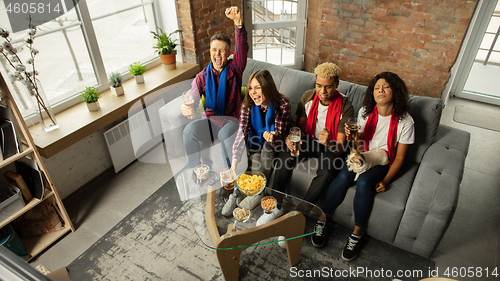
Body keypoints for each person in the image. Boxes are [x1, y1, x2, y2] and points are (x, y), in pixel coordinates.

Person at [312, 72, 415, 262]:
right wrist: (355, 144)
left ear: (396, 91)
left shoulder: (405, 121)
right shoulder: (365, 112)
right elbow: (358, 146)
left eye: (385, 87)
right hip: (363, 154)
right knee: (343, 176)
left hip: (384, 160)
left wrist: (385, 180)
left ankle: (356, 234)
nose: (380, 90)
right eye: (376, 87)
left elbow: (400, 158)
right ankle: (322, 220)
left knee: (365, 182)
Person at [271, 62, 353, 209]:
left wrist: (328, 142)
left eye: (328, 86)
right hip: (309, 140)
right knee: (285, 154)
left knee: (327, 171)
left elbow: (340, 148)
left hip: (332, 146)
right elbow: (298, 128)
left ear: (336, 85)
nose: (323, 91)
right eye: (319, 85)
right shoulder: (308, 97)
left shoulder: (346, 106)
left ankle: (302, 212)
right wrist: (290, 139)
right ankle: (275, 204)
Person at [181, 6, 248, 171]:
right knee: (188, 130)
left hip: (231, 121)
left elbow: (241, 50)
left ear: (228, 53)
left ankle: (229, 174)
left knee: (224, 135)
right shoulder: (202, 77)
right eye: (214, 50)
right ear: (209, 51)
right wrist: (187, 106)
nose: (218, 54)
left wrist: (238, 24)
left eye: (222, 50)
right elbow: (194, 95)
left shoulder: (235, 69)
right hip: (210, 121)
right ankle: (197, 170)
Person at [221, 69, 292, 216]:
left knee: (267, 147)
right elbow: (242, 135)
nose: (253, 92)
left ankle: (258, 192)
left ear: (267, 86)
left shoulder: (283, 104)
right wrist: (233, 167)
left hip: (276, 143)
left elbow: (280, 135)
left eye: (258, 87)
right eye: (251, 88)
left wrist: (273, 137)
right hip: (255, 140)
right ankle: (235, 192)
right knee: (239, 149)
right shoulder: (247, 105)